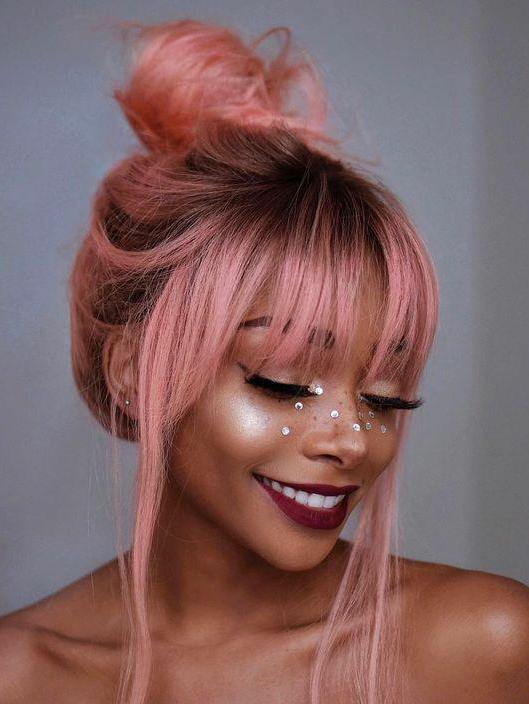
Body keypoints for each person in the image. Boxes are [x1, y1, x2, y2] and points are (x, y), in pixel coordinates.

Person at [1, 17, 528, 704]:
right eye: (283, 383)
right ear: (133, 371)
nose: (350, 440)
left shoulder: (480, 648)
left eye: (384, 396)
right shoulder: (21, 677)